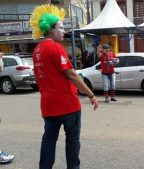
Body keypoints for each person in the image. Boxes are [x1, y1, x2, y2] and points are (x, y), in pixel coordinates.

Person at [29, 4, 99, 169]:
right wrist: (91, 94)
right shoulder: (55, 47)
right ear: (50, 29)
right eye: (60, 27)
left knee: (49, 140)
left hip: (48, 105)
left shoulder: (36, 50)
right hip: (67, 104)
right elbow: (72, 75)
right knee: (73, 140)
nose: (64, 31)